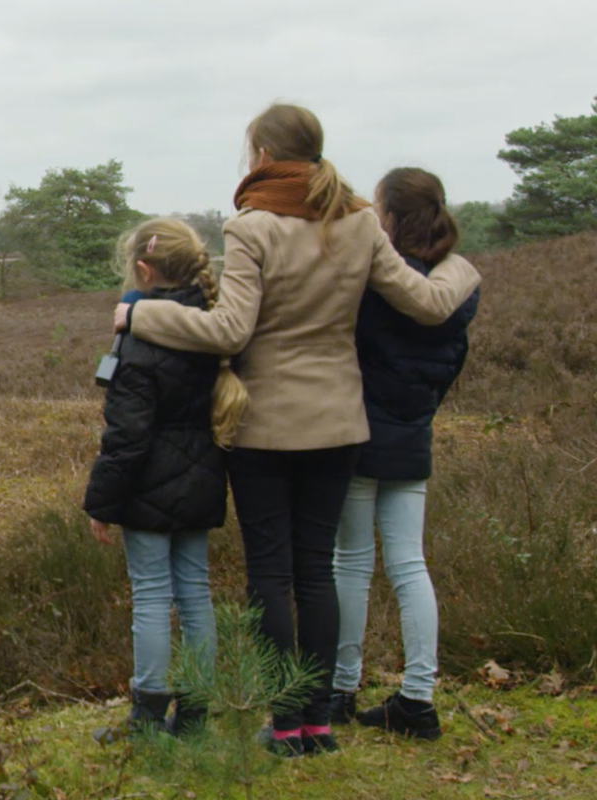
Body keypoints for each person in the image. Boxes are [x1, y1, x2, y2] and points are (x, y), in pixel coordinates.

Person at [114, 104, 481, 757]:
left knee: (270, 579)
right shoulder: (361, 221)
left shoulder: (252, 227)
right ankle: (317, 725)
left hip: (264, 429)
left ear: (261, 154)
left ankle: (284, 725)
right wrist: (464, 268)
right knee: (315, 574)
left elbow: (229, 331)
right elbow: (427, 303)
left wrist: (139, 317)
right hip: (340, 423)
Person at [84, 218, 248, 739]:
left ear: (143, 271)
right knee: (195, 593)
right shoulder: (213, 326)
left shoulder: (138, 343)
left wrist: (101, 502)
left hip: (148, 488)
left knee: (152, 595)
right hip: (202, 477)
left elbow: (127, 437)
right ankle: (196, 712)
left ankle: (148, 715)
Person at [330, 167, 479, 740]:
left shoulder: (379, 283)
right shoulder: (457, 286)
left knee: (351, 562)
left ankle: (343, 688)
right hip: (414, 435)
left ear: (389, 218)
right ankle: (417, 698)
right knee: (409, 565)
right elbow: (448, 366)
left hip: (362, 432)